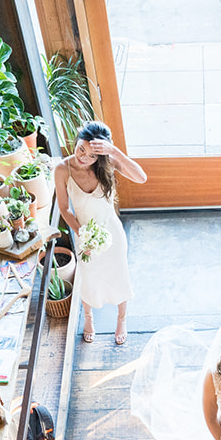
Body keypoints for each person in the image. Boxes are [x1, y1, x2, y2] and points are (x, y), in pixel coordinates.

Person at [55, 120, 148, 346]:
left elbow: (141, 177)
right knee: (87, 278)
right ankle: (88, 318)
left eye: (92, 155)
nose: (84, 157)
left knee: (118, 275)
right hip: (83, 235)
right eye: (81, 149)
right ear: (77, 142)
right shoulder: (62, 169)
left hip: (112, 234)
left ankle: (122, 319)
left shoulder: (108, 163)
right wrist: (82, 234)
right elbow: (64, 209)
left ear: (101, 156)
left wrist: (114, 152)